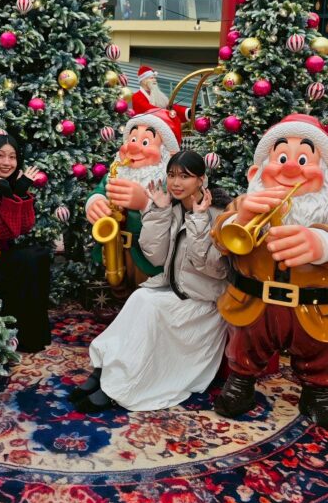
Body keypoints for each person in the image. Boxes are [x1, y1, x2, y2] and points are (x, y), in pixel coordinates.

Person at [74, 151, 229, 412]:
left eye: (185, 176)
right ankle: (105, 369)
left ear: (202, 179)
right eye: (171, 175)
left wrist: (200, 220)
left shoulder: (218, 213)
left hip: (203, 302)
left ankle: (121, 386)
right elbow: (155, 256)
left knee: (151, 308)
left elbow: (214, 269)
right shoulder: (174, 205)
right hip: (175, 291)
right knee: (140, 298)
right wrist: (157, 212)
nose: (176, 183)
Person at [212, 114, 328, 426]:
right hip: (254, 304)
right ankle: (241, 382)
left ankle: (317, 392)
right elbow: (220, 237)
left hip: (313, 309)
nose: (292, 168)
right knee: (246, 343)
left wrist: (321, 244)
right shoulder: (246, 203)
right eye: (281, 158)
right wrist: (242, 216)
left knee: (320, 351)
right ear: (258, 171)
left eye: (304, 158)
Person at [86, 109, 180, 295]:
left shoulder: (170, 182)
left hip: (146, 259)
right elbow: (99, 190)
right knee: (119, 292)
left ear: (166, 153)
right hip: (116, 249)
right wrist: (95, 202)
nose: (133, 148)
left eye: (145, 142)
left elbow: (174, 215)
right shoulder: (117, 171)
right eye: (132, 140)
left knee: (144, 295)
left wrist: (144, 203)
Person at [0, 132, 51, 353]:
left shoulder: (8, 184)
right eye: (0, 156)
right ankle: (24, 333)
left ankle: (32, 334)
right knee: (29, 260)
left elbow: (24, 227)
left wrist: (16, 192)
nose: (7, 162)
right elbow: (1, 232)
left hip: (4, 256)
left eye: (12, 157)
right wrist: (8, 194)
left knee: (38, 255)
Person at [131, 66, 190, 144]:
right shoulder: (136, 96)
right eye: (151, 78)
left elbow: (170, 107)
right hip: (146, 135)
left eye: (155, 78)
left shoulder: (158, 95)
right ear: (144, 81)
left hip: (161, 132)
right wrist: (167, 113)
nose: (155, 80)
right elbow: (149, 109)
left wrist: (188, 111)